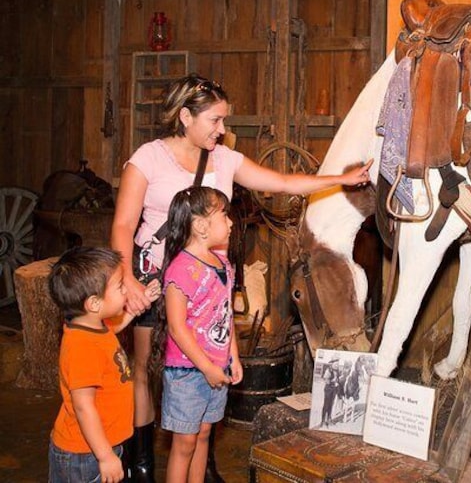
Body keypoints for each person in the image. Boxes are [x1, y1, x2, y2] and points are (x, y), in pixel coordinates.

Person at [111, 74, 372, 481]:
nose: (223, 129)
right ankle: (141, 462)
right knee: (147, 366)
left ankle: (204, 459)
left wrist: (339, 179)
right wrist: (126, 278)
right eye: (215, 120)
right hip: (153, 277)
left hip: (208, 281)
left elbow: (281, 182)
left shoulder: (225, 160)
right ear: (185, 116)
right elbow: (124, 224)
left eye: (224, 121)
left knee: (208, 363)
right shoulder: (148, 158)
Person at [146, 186, 241, 482]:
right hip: (188, 372)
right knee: (184, 443)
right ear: (200, 226)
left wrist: (233, 357)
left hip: (216, 369)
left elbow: (227, 316)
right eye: (224, 215)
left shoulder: (224, 264)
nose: (231, 222)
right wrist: (208, 368)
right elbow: (176, 327)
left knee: (203, 435)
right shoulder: (181, 269)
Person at [47, 247, 148, 483]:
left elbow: (115, 327)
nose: (125, 290)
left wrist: (136, 308)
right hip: (85, 454)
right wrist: (104, 456)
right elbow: (84, 407)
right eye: (120, 286)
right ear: (93, 303)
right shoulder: (82, 347)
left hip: (102, 444)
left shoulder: (93, 326)